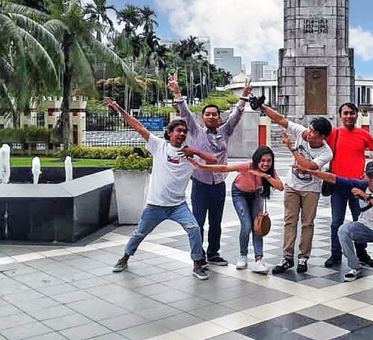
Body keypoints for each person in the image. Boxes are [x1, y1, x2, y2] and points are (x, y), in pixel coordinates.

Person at [105, 98, 217, 280]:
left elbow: (213, 160)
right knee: (140, 233)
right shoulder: (159, 146)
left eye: (184, 131)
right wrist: (118, 108)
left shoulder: (189, 154)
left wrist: (194, 152)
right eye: (178, 131)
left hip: (178, 205)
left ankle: (197, 264)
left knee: (194, 229)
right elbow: (138, 126)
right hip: (155, 205)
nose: (181, 134)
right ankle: (124, 258)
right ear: (169, 133)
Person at [169, 73, 251, 267]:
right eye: (208, 114)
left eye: (215, 114)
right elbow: (185, 113)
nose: (212, 116)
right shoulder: (196, 131)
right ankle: (199, 255)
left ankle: (214, 253)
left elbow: (236, 115)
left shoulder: (225, 131)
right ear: (202, 117)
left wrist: (244, 97)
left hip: (219, 185)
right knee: (198, 222)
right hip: (200, 184)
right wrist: (177, 92)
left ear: (219, 117)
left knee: (216, 222)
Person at [298, 161, 373, 281]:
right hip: (364, 227)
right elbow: (334, 178)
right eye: (370, 175)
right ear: (365, 175)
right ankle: (355, 267)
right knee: (343, 230)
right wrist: (309, 171)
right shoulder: (360, 184)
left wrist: (366, 196)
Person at [254, 102, 333, 275]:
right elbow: (280, 119)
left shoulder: (326, 152)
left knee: (307, 223)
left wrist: (291, 147)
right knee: (289, 221)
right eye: (309, 128)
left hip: (311, 189)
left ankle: (303, 257)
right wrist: (262, 107)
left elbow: (309, 165)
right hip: (292, 186)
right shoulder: (301, 132)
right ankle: (287, 257)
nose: (308, 133)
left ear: (322, 137)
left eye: (313, 133)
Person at [191, 146, 283, 274]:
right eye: (263, 160)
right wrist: (201, 167)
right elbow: (225, 168)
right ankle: (243, 255)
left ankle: (258, 259)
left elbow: (280, 186)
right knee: (246, 225)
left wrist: (265, 176)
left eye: (269, 160)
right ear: (257, 160)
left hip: (256, 194)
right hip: (239, 193)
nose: (266, 163)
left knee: (258, 226)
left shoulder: (269, 172)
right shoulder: (247, 166)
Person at [324, 102, 373, 269]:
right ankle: (335, 254)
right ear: (340, 116)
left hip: (359, 187)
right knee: (336, 222)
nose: (349, 116)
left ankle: (362, 254)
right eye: (345, 113)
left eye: (352, 113)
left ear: (357, 115)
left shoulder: (363, 134)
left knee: (361, 222)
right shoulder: (334, 133)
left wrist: (370, 172)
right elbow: (317, 143)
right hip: (338, 185)